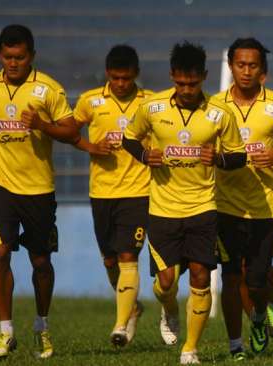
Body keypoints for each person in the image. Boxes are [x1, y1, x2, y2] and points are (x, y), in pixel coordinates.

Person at [122, 41, 246, 364]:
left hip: (203, 207)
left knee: (201, 276)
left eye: (192, 83)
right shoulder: (153, 107)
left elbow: (239, 156)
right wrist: (145, 155)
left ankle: (190, 348)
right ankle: (168, 309)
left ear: (204, 77)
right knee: (165, 284)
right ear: (172, 76)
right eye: (180, 83)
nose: (187, 89)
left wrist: (217, 157)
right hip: (162, 208)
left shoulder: (220, 113)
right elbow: (129, 138)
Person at [0, 24, 79, 359]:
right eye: (7, 57)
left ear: (31, 55)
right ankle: (5, 331)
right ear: (0, 55)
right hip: (0, 182)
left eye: (19, 57)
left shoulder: (48, 89)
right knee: (1, 253)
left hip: (38, 188)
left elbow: (70, 129)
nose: (13, 63)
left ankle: (42, 326)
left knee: (41, 261)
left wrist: (43, 126)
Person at [213, 37, 273, 360]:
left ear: (262, 69)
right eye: (240, 65)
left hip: (266, 203)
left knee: (258, 277)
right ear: (231, 66)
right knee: (231, 276)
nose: (246, 71)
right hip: (226, 204)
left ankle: (262, 314)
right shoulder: (215, 106)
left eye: (252, 65)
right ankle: (236, 345)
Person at [73, 45, 153, 347]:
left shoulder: (149, 103)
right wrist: (91, 146)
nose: (121, 83)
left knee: (128, 255)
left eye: (127, 78)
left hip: (138, 191)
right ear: (108, 74)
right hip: (102, 191)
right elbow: (68, 130)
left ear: (136, 75)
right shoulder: (90, 101)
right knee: (110, 260)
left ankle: (121, 325)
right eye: (116, 78)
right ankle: (132, 306)